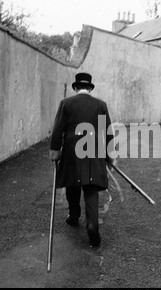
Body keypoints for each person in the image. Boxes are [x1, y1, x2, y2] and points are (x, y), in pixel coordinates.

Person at [49, 73, 116, 248]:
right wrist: (110, 156)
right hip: (93, 153)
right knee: (91, 188)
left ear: (76, 88)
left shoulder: (66, 104)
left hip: (72, 152)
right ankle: (92, 223)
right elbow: (107, 131)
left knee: (72, 184)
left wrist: (55, 150)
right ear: (90, 88)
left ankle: (73, 216)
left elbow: (58, 130)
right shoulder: (100, 105)